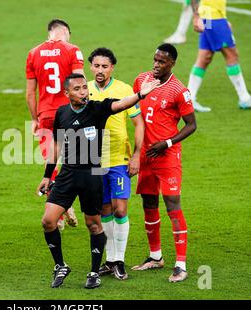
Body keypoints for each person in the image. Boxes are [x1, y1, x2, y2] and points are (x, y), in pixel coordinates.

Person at [37, 73, 159, 289]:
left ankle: (94, 272)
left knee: (93, 225)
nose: (83, 92)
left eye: (85, 87)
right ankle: (60, 266)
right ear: (67, 93)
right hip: (67, 174)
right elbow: (56, 144)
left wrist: (140, 95)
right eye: (77, 89)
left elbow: (121, 104)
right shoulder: (62, 112)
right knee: (48, 221)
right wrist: (48, 175)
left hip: (92, 175)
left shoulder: (96, 109)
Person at [131, 44, 196, 283]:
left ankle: (181, 264)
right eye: (155, 60)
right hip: (146, 156)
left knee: (172, 205)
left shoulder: (179, 91)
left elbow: (191, 125)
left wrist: (167, 143)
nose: (156, 65)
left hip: (166, 156)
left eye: (162, 62)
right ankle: (155, 256)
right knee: (148, 202)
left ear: (172, 64)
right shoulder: (142, 80)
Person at [87, 48, 144, 281]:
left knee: (120, 208)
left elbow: (139, 123)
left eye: (105, 66)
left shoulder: (124, 90)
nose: (100, 70)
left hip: (119, 158)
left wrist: (137, 155)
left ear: (112, 68)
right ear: (91, 66)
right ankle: (110, 261)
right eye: (97, 66)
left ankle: (119, 260)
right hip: (93, 160)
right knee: (104, 211)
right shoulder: (85, 90)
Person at [26, 19, 83, 231]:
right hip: (69, 113)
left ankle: (57, 213)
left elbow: (31, 92)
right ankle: (65, 205)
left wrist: (34, 118)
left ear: (50, 33)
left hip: (46, 115)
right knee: (75, 161)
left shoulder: (33, 53)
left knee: (51, 163)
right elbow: (79, 83)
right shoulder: (72, 50)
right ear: (65, 32)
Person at [188, 0, 251, 112]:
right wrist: (196, 16)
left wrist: (223, 19)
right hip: (212, 17)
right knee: (232, 55)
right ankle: (245, 98)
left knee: (205, 56)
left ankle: (188, 100)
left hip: (210, 16)